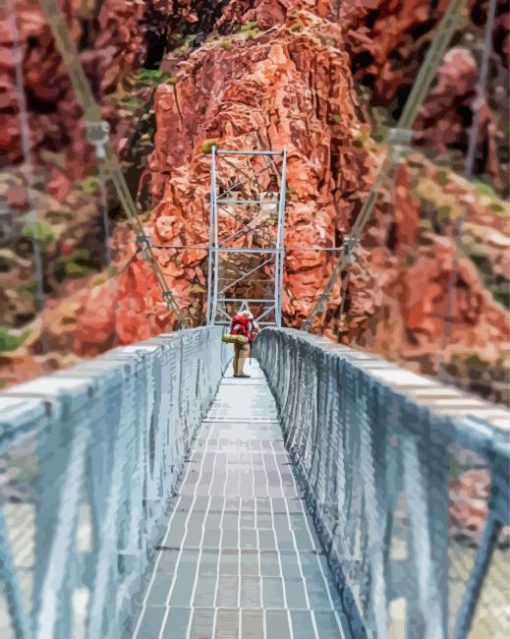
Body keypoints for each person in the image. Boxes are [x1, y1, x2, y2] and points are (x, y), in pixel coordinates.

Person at [230, 310, 258, 378]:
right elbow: (250, 331)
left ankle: (235, 372)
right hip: (243, 339)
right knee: (243, 353)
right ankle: (240, 372)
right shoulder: (247, 321)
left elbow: (231, 328)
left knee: (236, 355)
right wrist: (250, 340)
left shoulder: (235, 320)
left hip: (235, 338)